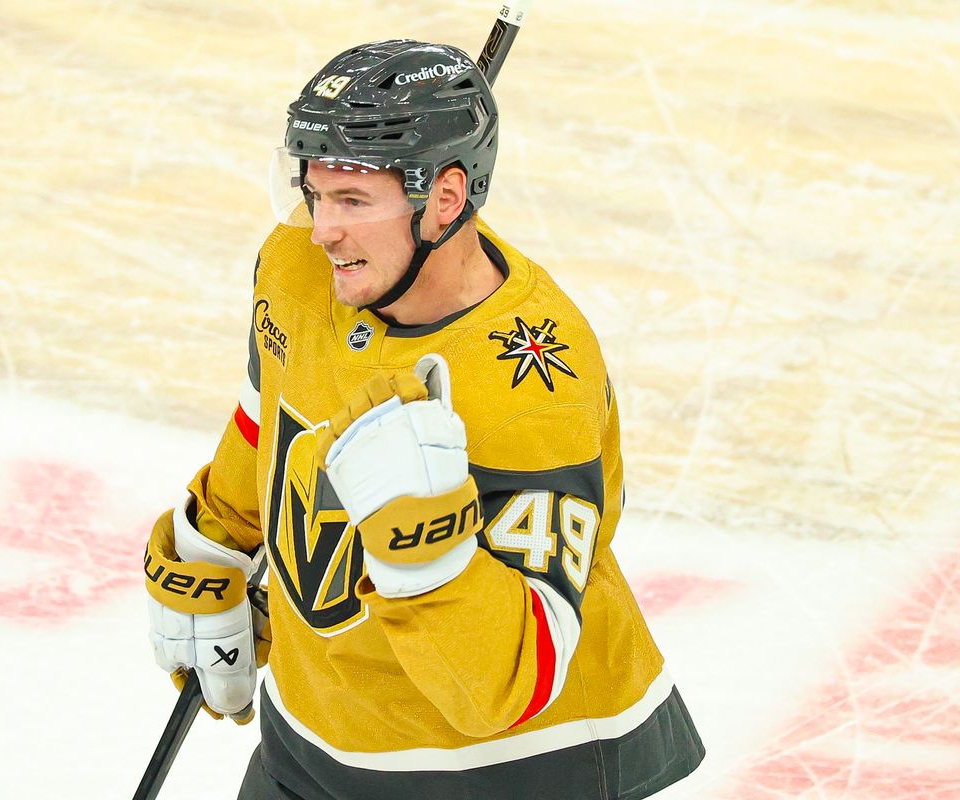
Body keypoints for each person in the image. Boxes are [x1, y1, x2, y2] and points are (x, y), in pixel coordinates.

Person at [143, 39, 705, 800]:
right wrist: (213, 543)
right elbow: (269, 412)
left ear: (444, 200)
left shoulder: (533, 379)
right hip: (312, 742)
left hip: (510, 772)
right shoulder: (300, 268)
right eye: (313, 192)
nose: (321, 229)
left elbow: (514, 680)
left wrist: (425, 555)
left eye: (353, 201)